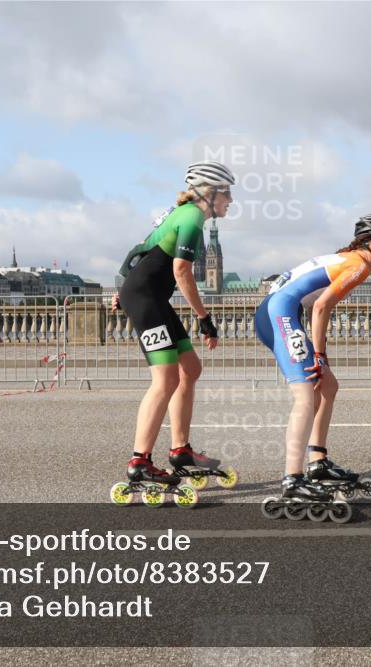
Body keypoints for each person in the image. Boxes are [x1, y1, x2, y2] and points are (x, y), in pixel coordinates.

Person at [255, 214, 371, 505]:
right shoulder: (359, 265)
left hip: (279, 310)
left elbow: (315, 305)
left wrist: (321, 358)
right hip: (280, 313)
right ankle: (292, 479)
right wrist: (320, 356)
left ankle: (318, 460)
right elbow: (321, 307)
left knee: (328, 387)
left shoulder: (348, 258)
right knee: (306, 396)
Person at [115, 160, 236, 495]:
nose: (230, 200)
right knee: (165, 379)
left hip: (149, 296)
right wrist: (204, 318)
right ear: (210, 193)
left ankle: (180, 450)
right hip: (146, 299)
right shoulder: (192, 217)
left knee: (190, 369)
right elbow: (182, 271)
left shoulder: (179, 213)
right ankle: (140, 461)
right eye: (227, 193)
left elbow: (139, 250)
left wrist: (122, 287)